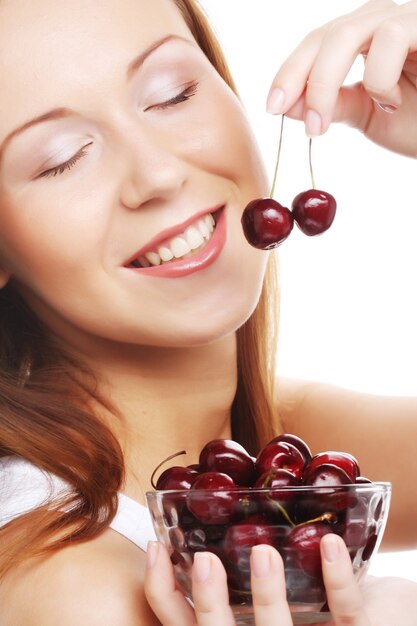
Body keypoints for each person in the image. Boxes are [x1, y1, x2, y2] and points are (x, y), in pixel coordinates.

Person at [0, 0, 416, 624]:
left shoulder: (265, 441)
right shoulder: (74, 584)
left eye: (173, 93)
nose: (159, 174)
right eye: (61, 157)